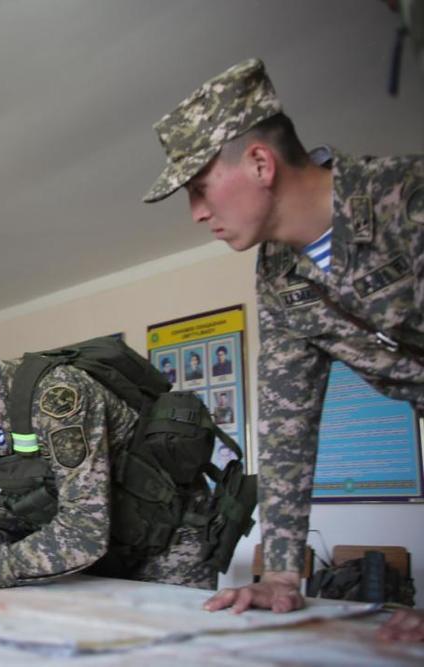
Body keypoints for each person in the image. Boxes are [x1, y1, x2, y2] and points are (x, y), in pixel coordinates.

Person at [143, 57, 423, 633]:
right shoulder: (278, 275)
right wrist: (281, 575)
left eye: (199, 189)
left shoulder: (405, 201)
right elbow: (286, 423)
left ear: (261, 164)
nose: (197, 214)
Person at [0, 323, 218, 590]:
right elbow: (1, 510)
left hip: (170, 545)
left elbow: (83, 532)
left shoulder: (57, 398)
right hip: (115, 548)